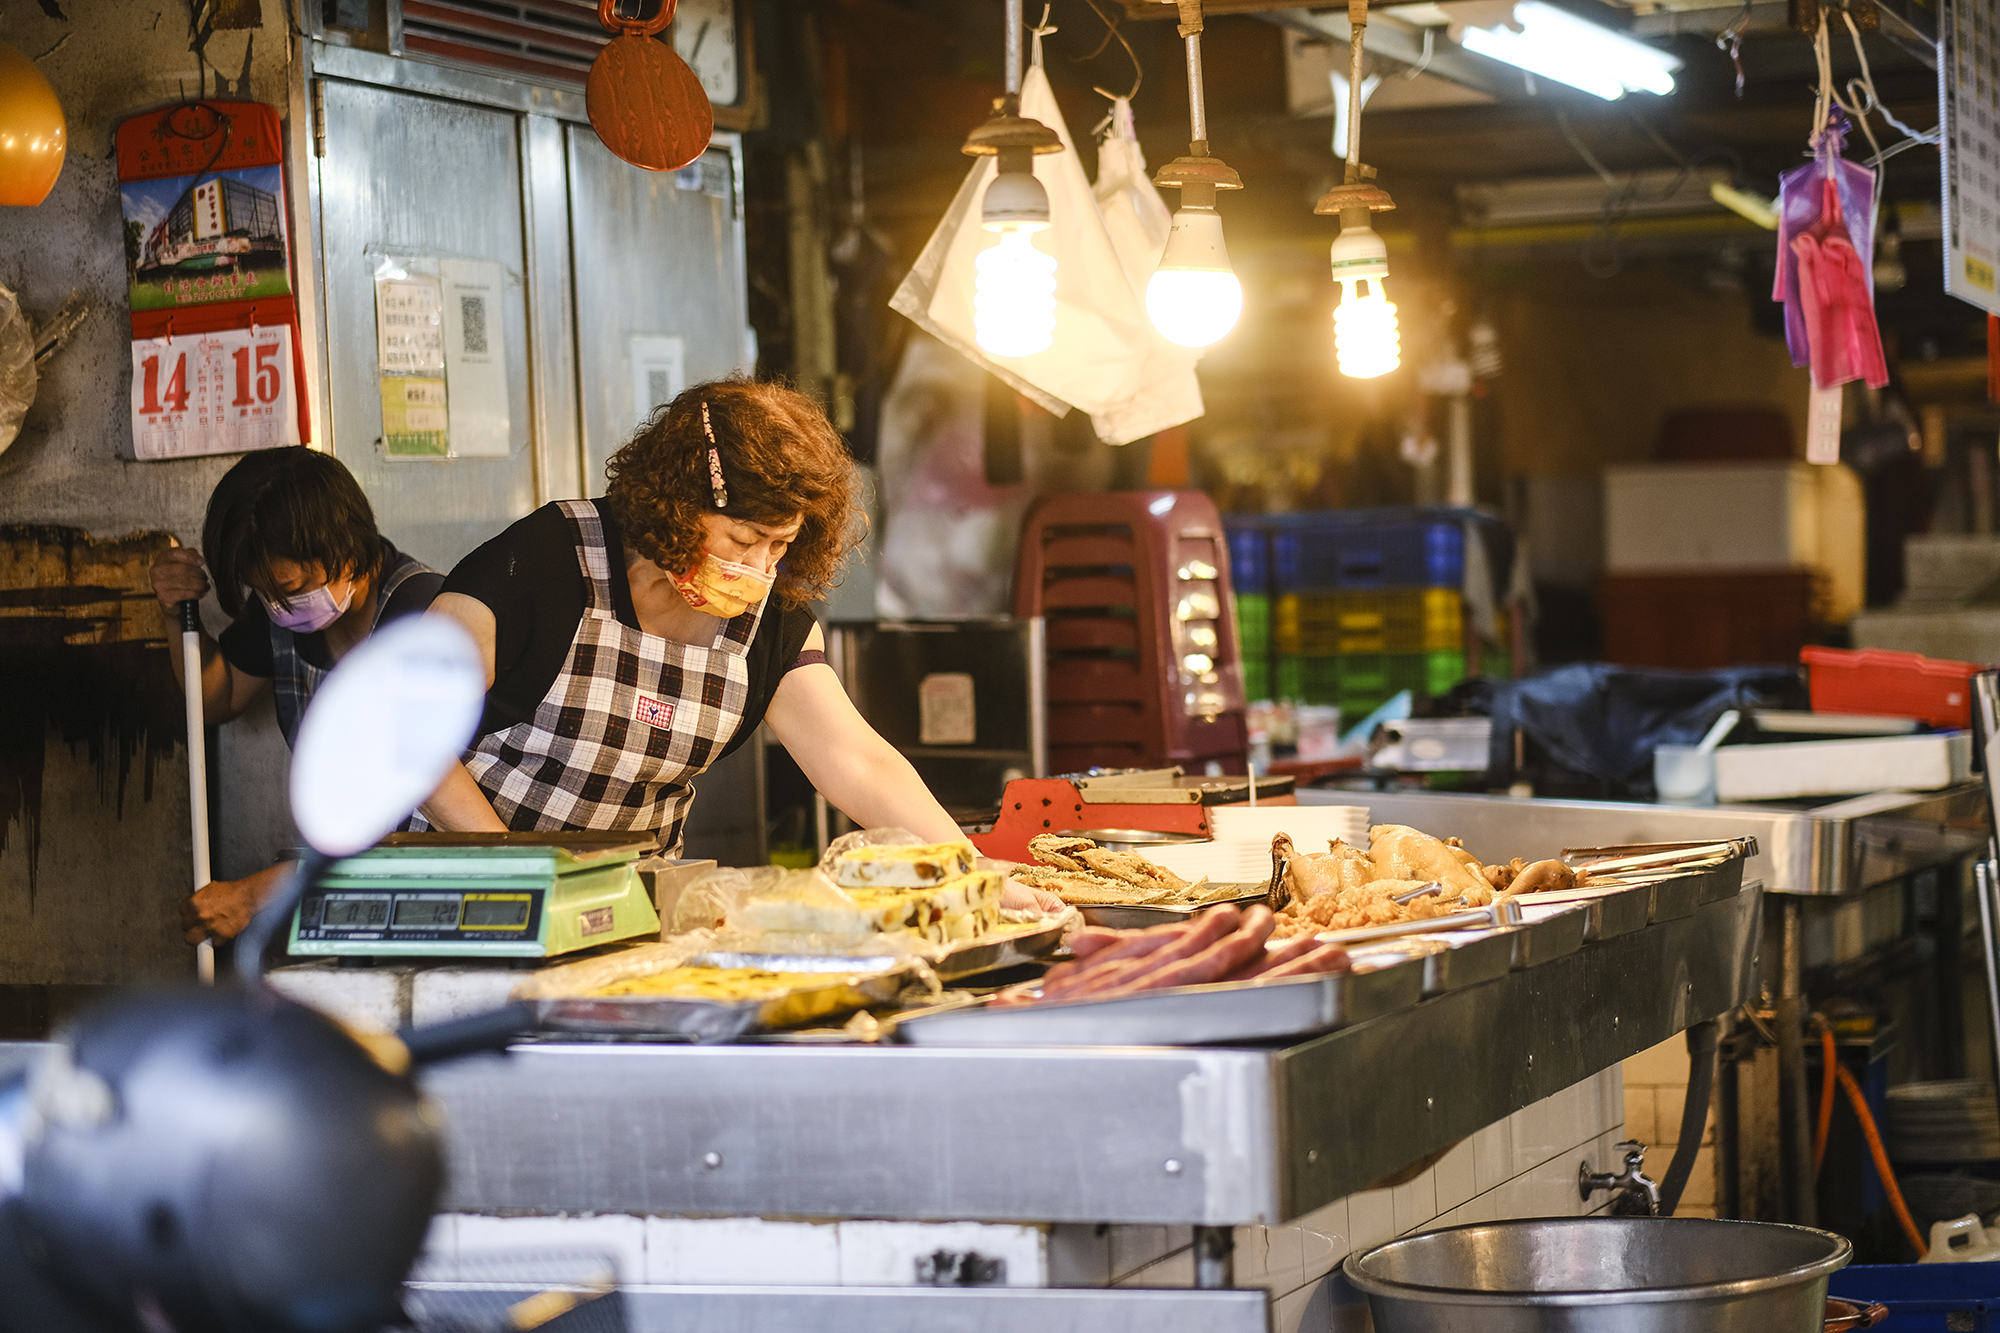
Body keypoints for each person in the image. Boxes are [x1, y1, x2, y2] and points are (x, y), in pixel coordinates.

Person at [422, 378, 1062, 912]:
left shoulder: (770, 621)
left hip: (627, 908)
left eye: (780, 544)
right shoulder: (545, 564)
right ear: (675, 505)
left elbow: (858, 762)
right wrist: (515, 871)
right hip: (461, 889)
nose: (759, 568)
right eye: (743, 539)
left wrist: (974, 870)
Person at [149, 447, 444, 943]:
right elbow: (218, 698)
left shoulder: (426, 620)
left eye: (290, 588)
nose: (277, 607)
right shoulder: (283, 614)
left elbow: (420, 831)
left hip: (430, 890)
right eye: (262, 592)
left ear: (345, 547)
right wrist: (175, 614)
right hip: (348, 897)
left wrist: (253, 895)